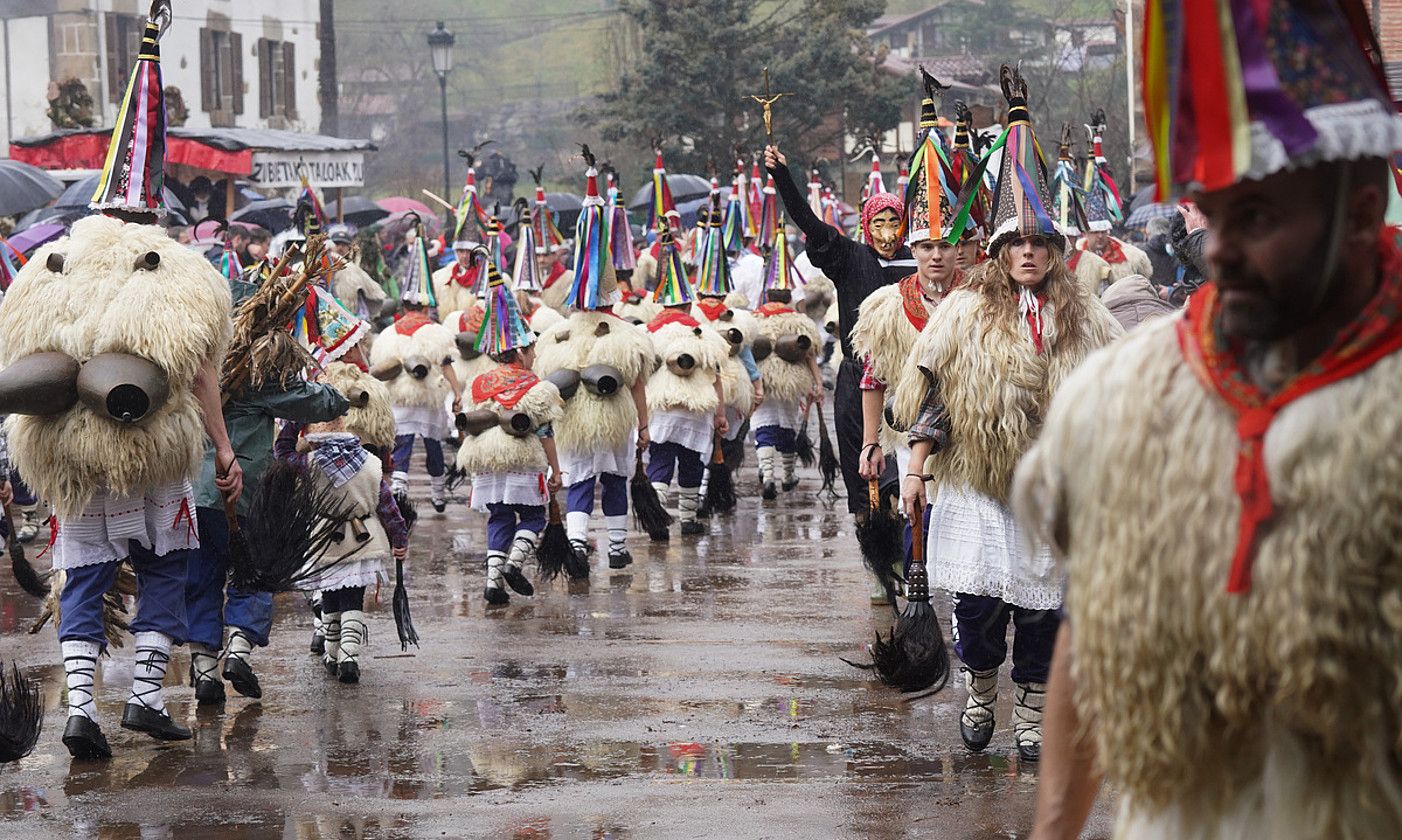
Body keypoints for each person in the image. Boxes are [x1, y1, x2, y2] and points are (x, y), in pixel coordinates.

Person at [1019, 2, 1402, 836]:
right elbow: (1092, 635)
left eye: (1257, 217)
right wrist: (1053, 830)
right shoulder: (1126, 403)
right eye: (1211, 212)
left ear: (1364, 213)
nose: (1218, 249)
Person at [896, 66, 1120, 763]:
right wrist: (914, 465)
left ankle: (1030, 711)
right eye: (1016, 243)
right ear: (997, 251)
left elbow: (1114, 399)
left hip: (1053, 490)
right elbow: (932, 397)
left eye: (1039, 243)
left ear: (1055, 250)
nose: (1028, 253)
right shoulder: (963, 313)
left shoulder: (1086, 317)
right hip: (981, 488)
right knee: (981, 612)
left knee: (1046, 612)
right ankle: (980, 690)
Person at [185, 249, 351, 706]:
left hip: (193, 497)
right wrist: (342, 396)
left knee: (200, 578)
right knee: (255, 572)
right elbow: (316, 402)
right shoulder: (258, 376)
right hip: (245, 493)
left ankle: (204, 670)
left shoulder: (189, 369)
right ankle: (238, 648)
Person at [853, 84, 968, 601]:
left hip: (973, 436)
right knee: (914, 515)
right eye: (925, 246)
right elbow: (874, 377)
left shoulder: (981, 302)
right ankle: (917, 597)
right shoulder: (887, 305)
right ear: (912, 248)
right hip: (908, 435)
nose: (936, 256)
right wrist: (871, 442)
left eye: (945, 246)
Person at [765, 145, 914, 516]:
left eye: (893, 222)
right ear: (866, 227)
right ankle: (872, 534)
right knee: (862, 475)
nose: (886, 232)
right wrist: (784, 177)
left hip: (909, 379)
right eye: (878, 224)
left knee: (908, 466)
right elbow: (810, 224)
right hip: (856, 377)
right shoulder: (849, 257)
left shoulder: (921, 260)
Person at [534, 159, 654, 570]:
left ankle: (579, 544)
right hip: (615, 420)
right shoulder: (629, 335)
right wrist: (643, 425)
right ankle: (617, 548)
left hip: (573, 423)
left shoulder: (554, 335)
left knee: (581, 481)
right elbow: (637, 384)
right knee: (616, 480)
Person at [456, 261, 564, 605]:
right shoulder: (533, 384)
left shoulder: (479, 382)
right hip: (522, 458)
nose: (534, 355)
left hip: (486, 459)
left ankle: (492, 582)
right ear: (519, 351)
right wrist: (556, 469)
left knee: (500, 516)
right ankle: (515, 565)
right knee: (533, 515)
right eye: (531, 349)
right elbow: (545, 431)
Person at [642, 226, 729, 538]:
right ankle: (689, 518)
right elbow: (716, 378)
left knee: (661, 461)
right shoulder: (704, 333)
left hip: (660, 407)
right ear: (689, 305)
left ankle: (657, 515)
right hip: (695, 408)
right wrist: (720, 415)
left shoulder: (647, 334)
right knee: (691, 462)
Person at [371, 226, 463, 512]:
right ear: (425, 305)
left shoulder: (388, 334)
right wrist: (457, 394)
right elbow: (447, 364)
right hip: (428, 399)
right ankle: (437, 493)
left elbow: (381, 369)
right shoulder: (436, 332)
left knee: (403, 446)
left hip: (400, 399)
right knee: (434, 446)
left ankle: (399, 490)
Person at [752, 221, 824, 500]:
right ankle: (788, 475)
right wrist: (817, 384)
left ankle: (767, 474)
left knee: (763, 425)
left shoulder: (755, 319)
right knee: (787, 426)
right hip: (791, 381)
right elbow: (810, 356)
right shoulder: (800, 321)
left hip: (763, 379)